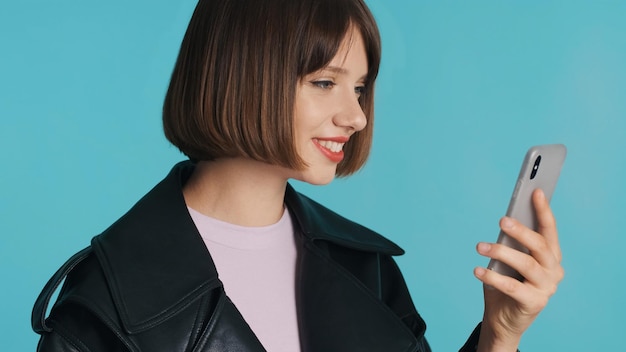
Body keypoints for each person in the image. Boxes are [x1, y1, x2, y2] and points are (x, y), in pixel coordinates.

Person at [31, 0, 564, 351]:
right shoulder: (103, 303)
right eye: (325, 83)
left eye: (360, 88)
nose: (356, 116)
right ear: (244, 75)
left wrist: (499, 333)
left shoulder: (366, 268)